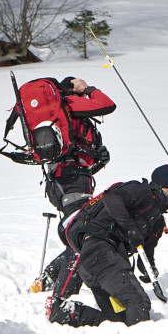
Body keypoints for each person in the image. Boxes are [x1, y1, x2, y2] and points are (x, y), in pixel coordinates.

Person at [46, 164, 168, 327]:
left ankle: (68, 313)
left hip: (94, 264)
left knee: (120, 320)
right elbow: (112, 198)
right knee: (137, 302)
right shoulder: (143, 192)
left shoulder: (157, 221)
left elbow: (146, 252)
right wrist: (130, 229)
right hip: (101, 252)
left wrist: (149, 269)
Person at [32, 77, 116, 295]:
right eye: (80, 86)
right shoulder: (70, 104)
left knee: (80, 234)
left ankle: (45, 282)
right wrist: (88, 89)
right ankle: (63, 296)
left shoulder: (69, 115)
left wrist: (98, 161)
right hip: (69, 182)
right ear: (71, 89)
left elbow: (78, 157)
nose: (85, 92)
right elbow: (107, 104)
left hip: (71, 180)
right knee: (83, 235)